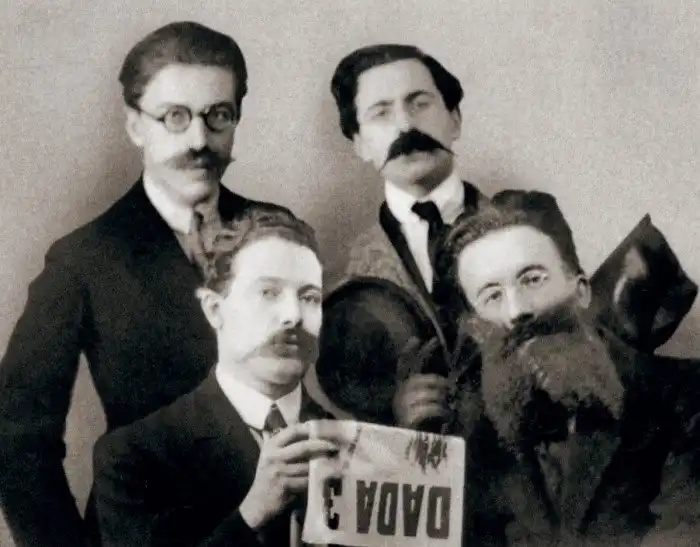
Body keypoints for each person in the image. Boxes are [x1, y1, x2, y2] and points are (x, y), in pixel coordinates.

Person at [0, 21, 291, 546]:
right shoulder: (82, 259)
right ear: (135, 125)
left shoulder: (280, 231)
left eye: (218, 116)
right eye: (175, 117)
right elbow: (16, 438)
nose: (199, 140)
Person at [394, 192, 700, 545]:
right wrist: (412, 453)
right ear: (477, 329)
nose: (517, 311)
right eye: (492, 295)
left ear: (581, 290)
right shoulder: (471, 436)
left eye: (532, 279)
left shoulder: (687, 397)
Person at [93, 207, 340, 546]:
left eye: (309, 297)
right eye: (268, 292)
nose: (293, 315)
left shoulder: (356, 446)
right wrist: (251, 514)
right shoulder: (134, 458)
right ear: (215, 310)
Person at [316, 44, 491, 422]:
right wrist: (394, 419)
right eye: (381, 113)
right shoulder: (343, 282)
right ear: (360, 144)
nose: (405, 125)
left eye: (420, 104)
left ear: (455, 120)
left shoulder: (530, 233)